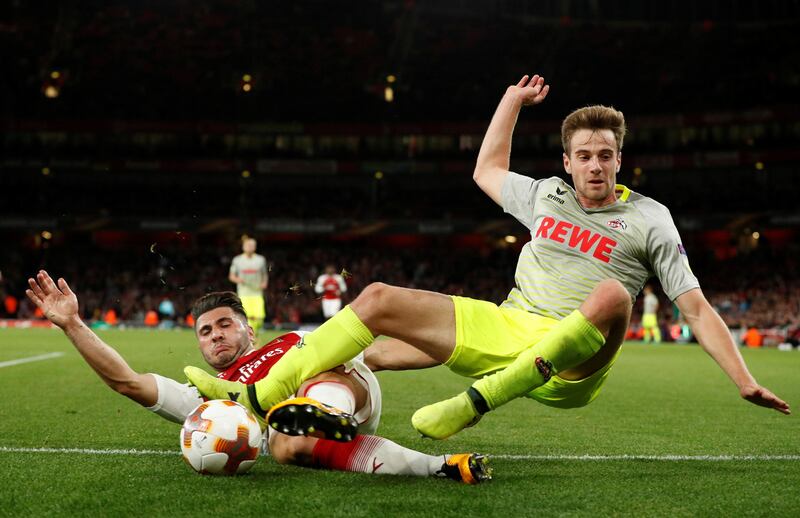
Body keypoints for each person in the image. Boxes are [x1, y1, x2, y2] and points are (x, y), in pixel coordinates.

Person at [186, 74, 790, 442]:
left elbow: (698, 307)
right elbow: (487, 170)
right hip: (510, 326)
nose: (597, 165)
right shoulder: (546, 197)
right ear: (568, 161)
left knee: (614, 295)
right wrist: (509, 100)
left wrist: (744, 380)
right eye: (585, 155)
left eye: (606, 154)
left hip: (576, 362)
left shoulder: (650, 217)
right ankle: (257, 396)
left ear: (620, 159)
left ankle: (473, 405)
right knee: (374, 300)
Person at [25, 270, 490, 484]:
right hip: (298, 434)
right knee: (286, 445)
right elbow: (128, 381)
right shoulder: (210, 404)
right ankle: (440, 466)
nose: (216, 335)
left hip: (348, 390)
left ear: (249, 327)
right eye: (205, 332)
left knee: (315, 364)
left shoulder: (290, 339)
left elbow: (383, 354)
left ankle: (322, 409)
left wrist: (460, 353)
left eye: (226, 324)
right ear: (199, 345)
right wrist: (72, 323)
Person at [229, 237, 268, 334]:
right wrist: (237, 279)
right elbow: (231, 276)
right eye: (248, 245)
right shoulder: (237, 260)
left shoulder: (260, 260)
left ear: (255, 247)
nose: (250, 247)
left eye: (252, 245)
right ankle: (250, 336)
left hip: (257, 292)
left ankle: (255, 332)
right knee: (247, 316)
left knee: (259, 317)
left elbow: (264, 274)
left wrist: (264, 282)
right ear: (243, 247)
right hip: (244, 293)